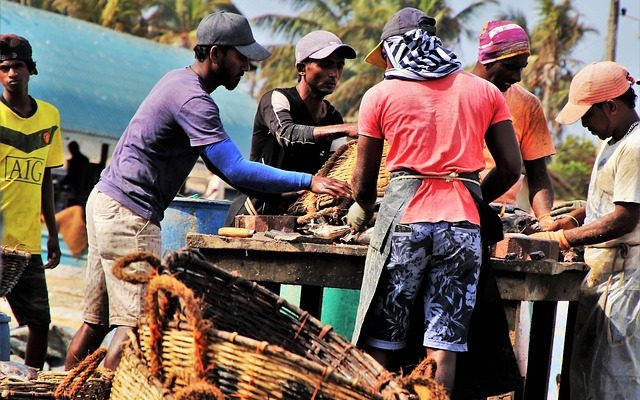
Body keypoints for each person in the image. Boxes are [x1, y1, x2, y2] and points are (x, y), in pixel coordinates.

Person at [64, 11, 351, 371]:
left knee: (97, 322)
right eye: (240, 57)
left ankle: (66, 388)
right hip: (130, 214)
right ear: (216, 54)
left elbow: (220, 168)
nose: (247, 66)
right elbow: (234, 168)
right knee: (137, 326)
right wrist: (308, 181)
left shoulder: (176, 82)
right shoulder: (194, 101)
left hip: (106, 201)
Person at [346, 8, 521, 394]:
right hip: (463, 231)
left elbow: (362, 183)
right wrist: (471, 196)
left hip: (405, 226)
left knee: (384, 338)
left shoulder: (379, 95)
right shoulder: (485, 92)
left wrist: (363, 208)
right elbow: (511, 168)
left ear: (394, 50)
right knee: (444, 343)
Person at [532, 61, 640, 399]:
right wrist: (576, 218)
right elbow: (610, 199)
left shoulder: (636, 147)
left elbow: (626, 217)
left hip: (623, 283)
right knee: (585, 375)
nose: (584, 123)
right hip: (603, 278)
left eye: (588, 115)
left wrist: (562, 238)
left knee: (614, 380)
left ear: (611, 106)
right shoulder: (615, 142)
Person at [225, 30, 358, 221]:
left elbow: (334, 165)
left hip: (296, 215)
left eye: (339, 66)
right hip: (255, 212)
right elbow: (287, 134)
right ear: (302, 68)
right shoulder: (276, 98)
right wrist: (346, 128)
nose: (333, 74)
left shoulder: (333, 117)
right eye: (325, 65)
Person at [0, 34, 63, 368]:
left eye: (18, 66)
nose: (12, 73)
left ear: (30, 69)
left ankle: (32, 385)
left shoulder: (49, 117)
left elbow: (45, 180)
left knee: (39, 323)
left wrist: (52, 232)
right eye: (5, 67)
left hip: (27, 244)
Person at [471, 20, 555, 226]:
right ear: (486, 58)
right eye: (510, 67)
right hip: (455, 208)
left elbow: (538, 175)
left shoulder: (528, 104)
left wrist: (545, 219)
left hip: (505, 213)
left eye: (521, 68)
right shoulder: (456, 93)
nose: (517, 76)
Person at [59, 140, 91, 207]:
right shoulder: (85, 160)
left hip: (75, 189)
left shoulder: (74, 161)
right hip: (84, 188)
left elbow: (70, 177)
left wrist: (61, 183)